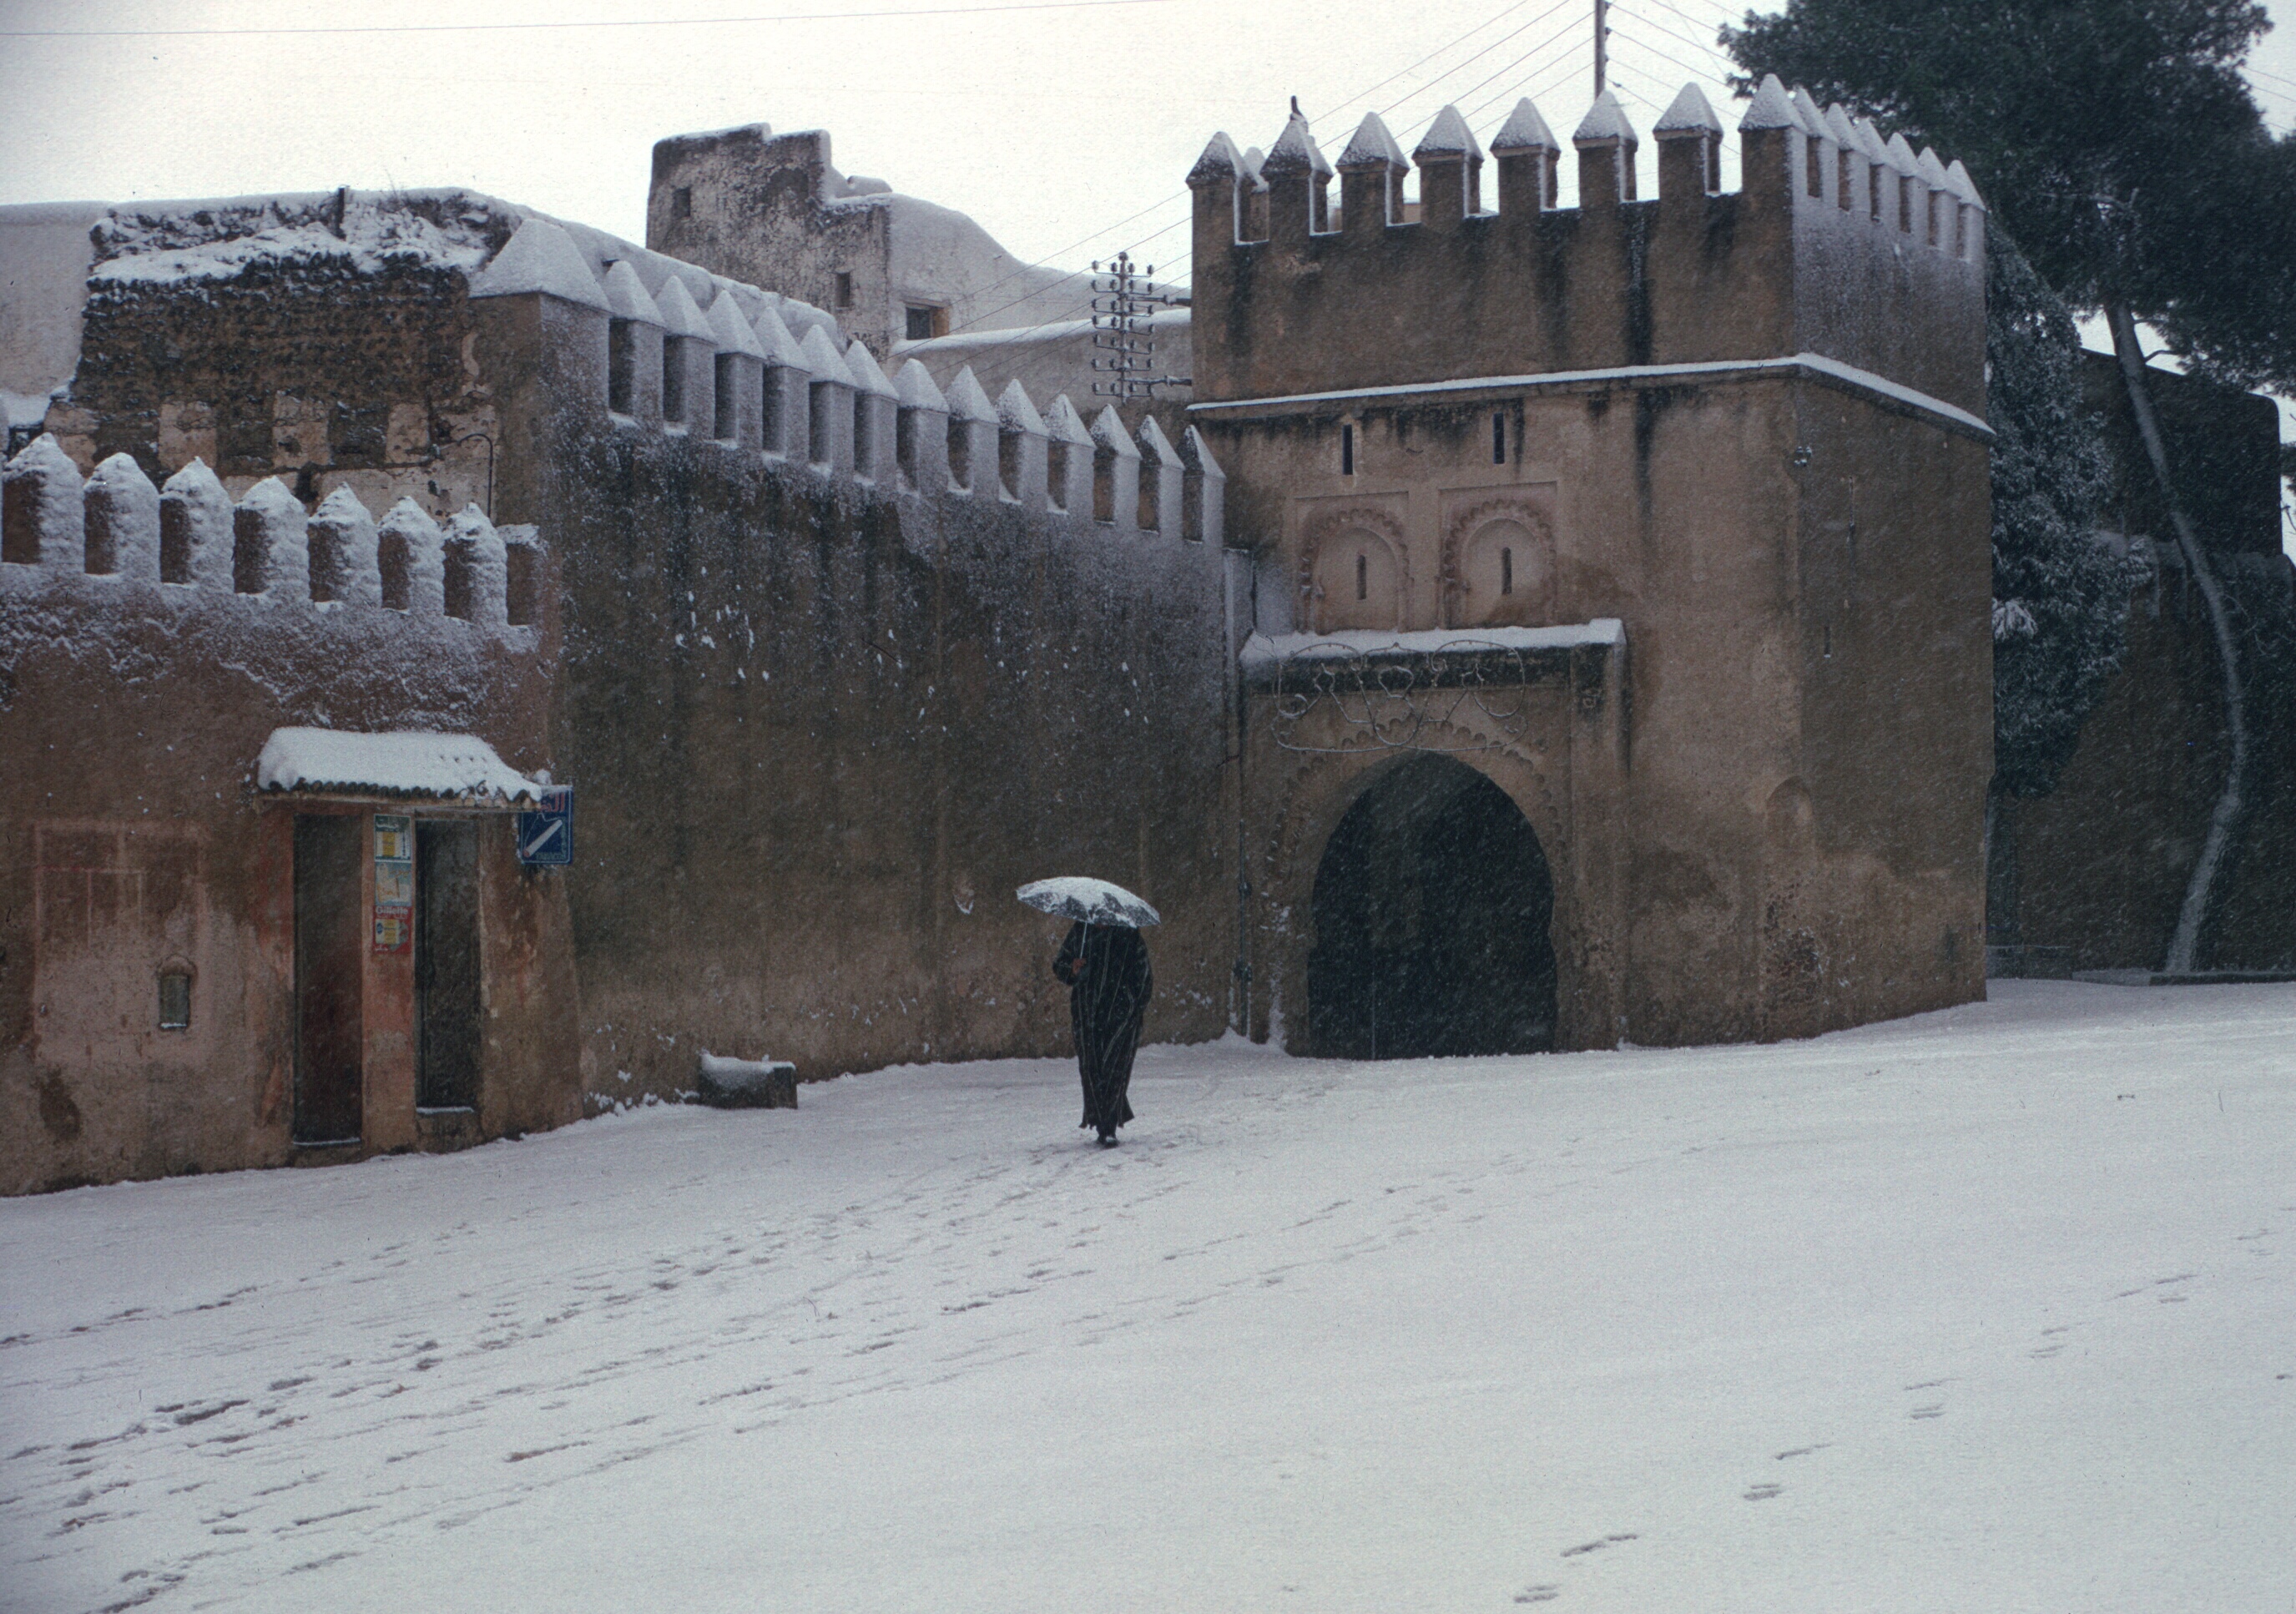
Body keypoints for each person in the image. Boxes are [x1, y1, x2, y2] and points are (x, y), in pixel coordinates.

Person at [1052, 920, 1153, 1146]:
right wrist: (1072, 968)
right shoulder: (1081, 931)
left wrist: (1133, 1007)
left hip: (1120, 1017)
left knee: (1114, 1068)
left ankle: (1109, 1126)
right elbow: (1060, 965)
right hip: (1087, 1015)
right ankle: (1100, 1121)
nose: (1101, 923)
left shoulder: (1129, 935)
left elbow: (1144, 975)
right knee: (1092, 1070)